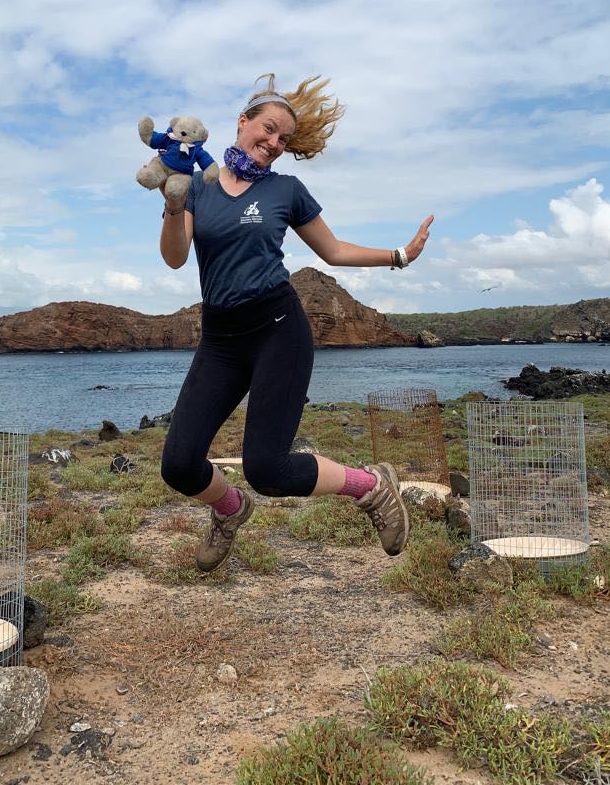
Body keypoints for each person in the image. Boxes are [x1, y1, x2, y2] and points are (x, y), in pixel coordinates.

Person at [158, 74, 434, 572]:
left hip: (277, 328)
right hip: (220, 337)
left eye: (283, 139)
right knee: (178, 465)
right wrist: (172, 206)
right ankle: (229, 509)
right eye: (267, 130)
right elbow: (176, 258)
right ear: (242, 123)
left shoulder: (286, 190)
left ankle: (372, 487)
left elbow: (333, 250)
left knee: (268, 468)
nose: (273, 143)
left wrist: (399, 255)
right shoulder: (199, 187)